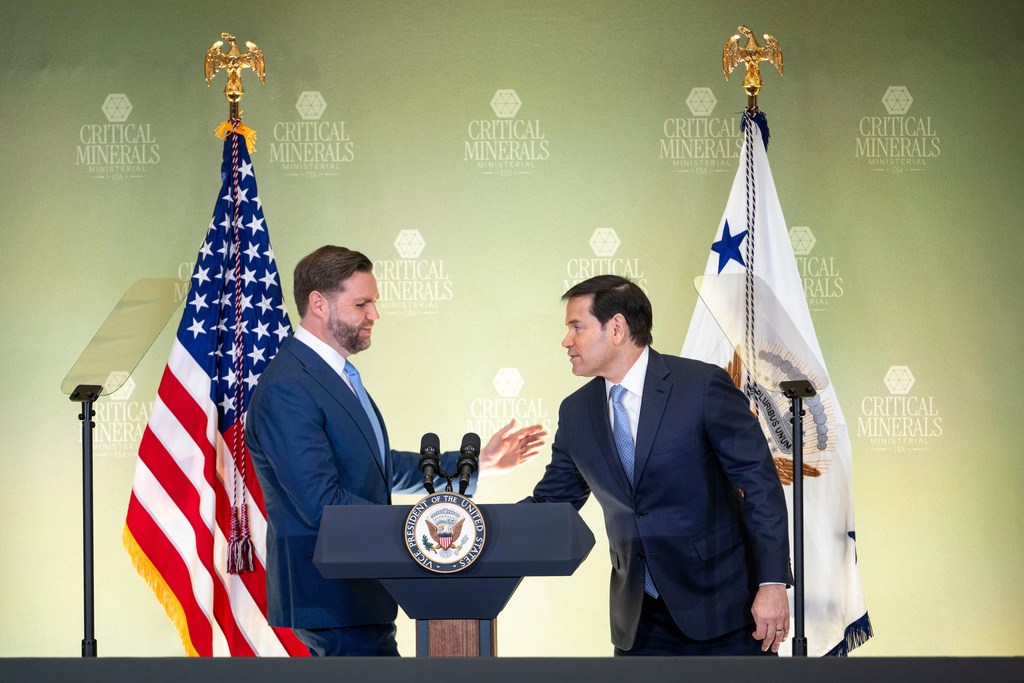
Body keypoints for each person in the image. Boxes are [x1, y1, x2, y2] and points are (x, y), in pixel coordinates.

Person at [247, 245, 545, 657]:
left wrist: (476, 466)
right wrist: (420, 529)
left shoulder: (333, 375)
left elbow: (374, 469)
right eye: (361, 303)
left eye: (374, 303)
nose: (375, 315)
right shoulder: (289, 386)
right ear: (319, 304)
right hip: (333, 598)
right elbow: (321, 503)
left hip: (358, 593)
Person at [526, 274, 790, 656]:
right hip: (639, 624)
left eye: (576, 327)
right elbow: (552, 504)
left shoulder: (700, 387)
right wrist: (478, 529)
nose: (567, 340)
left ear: (617, 328)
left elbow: (761, 485)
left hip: (725, 611)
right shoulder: (575, 412)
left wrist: (772, 583)